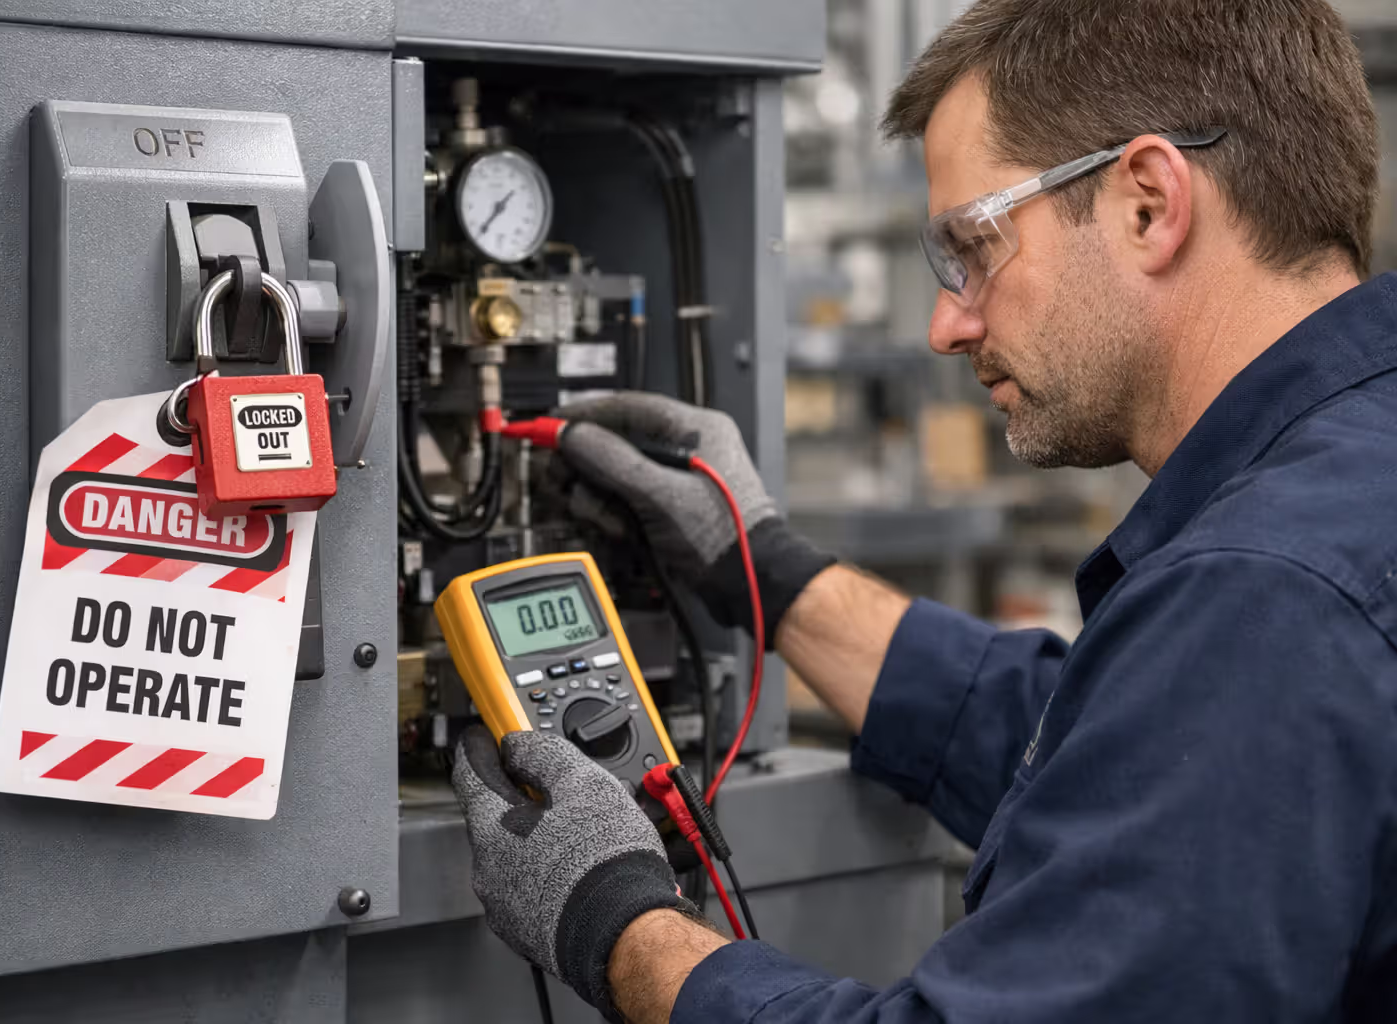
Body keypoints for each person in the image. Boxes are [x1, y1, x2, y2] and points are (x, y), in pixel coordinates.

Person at [453, 0, 1397, 1020]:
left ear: (1148, 203)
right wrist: (764, 568)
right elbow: (1115, 764)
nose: (949, 322)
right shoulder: (1346, 488)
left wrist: (620, 922)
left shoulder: (1268, 590)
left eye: (972, 245)